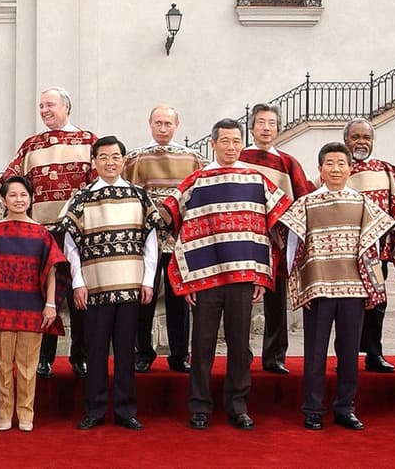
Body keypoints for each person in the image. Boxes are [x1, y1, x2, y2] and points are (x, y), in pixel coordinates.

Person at [161, 119, 288, 431]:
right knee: (201, 345)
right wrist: (187, 276)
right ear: (213, 144)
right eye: (225, 141)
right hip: (206, 277)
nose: (231, 147)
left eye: (236, 141)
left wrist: (261, 274)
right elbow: (171, 218)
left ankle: (237, 406)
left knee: (239, 344)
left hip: (243, 277)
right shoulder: (197, 181)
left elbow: (273, 226)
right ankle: (200, 407)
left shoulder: (256, 180)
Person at [275, 142, 393, 432]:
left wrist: (374, 286)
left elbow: (373, 247)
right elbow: (292, 247)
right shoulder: (306, 203)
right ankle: (313, 409)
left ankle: (345, 407)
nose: (336, 169)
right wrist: (299, 286)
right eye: (330, 164)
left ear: (350, 169)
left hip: (353, 288)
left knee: (349, 351)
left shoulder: (363, 203)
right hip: (319, 288)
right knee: (315, 351)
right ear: (320, 169)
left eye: (341, 163)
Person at [51, 135, 164, 431]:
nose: (109, 162)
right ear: (94, 161)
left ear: (124, 160)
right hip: (95, 287)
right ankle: (95, 409)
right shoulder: (83, 197)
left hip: (130, 285)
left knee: (127, 352)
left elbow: (152, 242)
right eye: (103, 157)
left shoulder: (140, 196)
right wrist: (78, 282)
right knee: (95, 351)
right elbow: (70, 245)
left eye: (115, 156)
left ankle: (126, 410)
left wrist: (148, 280)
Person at [1, 86, 95, 378]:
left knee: (80, 294)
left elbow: (96, 183)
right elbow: (10, 179)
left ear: (66, 106)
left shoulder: (88, 140)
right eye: (41, 106)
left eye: (50, 105)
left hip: (78, 232)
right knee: (45, 294)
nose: (44, 110)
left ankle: (80, 356)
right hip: (41, 232)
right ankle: (45, 358)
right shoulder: (31, 145)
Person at [0, 175, 68, 432]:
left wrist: (50, 304)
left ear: (31, 198)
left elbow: (52, 271)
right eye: (12, 195)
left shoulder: (42, 233)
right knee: (2, 365)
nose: (19, 199)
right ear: (3, 200)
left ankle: (25, 414)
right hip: (0, 304)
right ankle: (4, 414)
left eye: (23, 195)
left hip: (32, 306)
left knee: (27, 366)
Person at [123, 104, 205, 374]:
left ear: (176, 126)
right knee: (143, 295)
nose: (162, 128)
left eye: (168, 123)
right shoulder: (135, 159)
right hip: (145, 240)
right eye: (158, 123)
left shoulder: (192, 158)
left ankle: (180, 354)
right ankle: (142, 352)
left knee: (178, 298)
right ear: (149, 123)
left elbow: (198, 195)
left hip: (179, 239)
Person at [239, 103, 314, 375]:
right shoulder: (240, 158)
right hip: (244, 237)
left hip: (276, 240)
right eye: (261, 122)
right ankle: (241, 353)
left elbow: (302, 198)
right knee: (242, 297)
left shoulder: (287, 162)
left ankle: (274, 355)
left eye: (272, 123)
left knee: (275, 300)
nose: (267, 128)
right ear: (251, 127)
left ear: (279, 128)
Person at [343, 117, 395, 373]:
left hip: (378, 251)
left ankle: (374, 353)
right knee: (346, 304)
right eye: (356, 137)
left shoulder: (385, 170)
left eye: (366, 138)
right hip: (344, 251)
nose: (361, 142)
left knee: (377, 302)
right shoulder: (337, 167)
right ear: (346, 140)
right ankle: (345, 355)